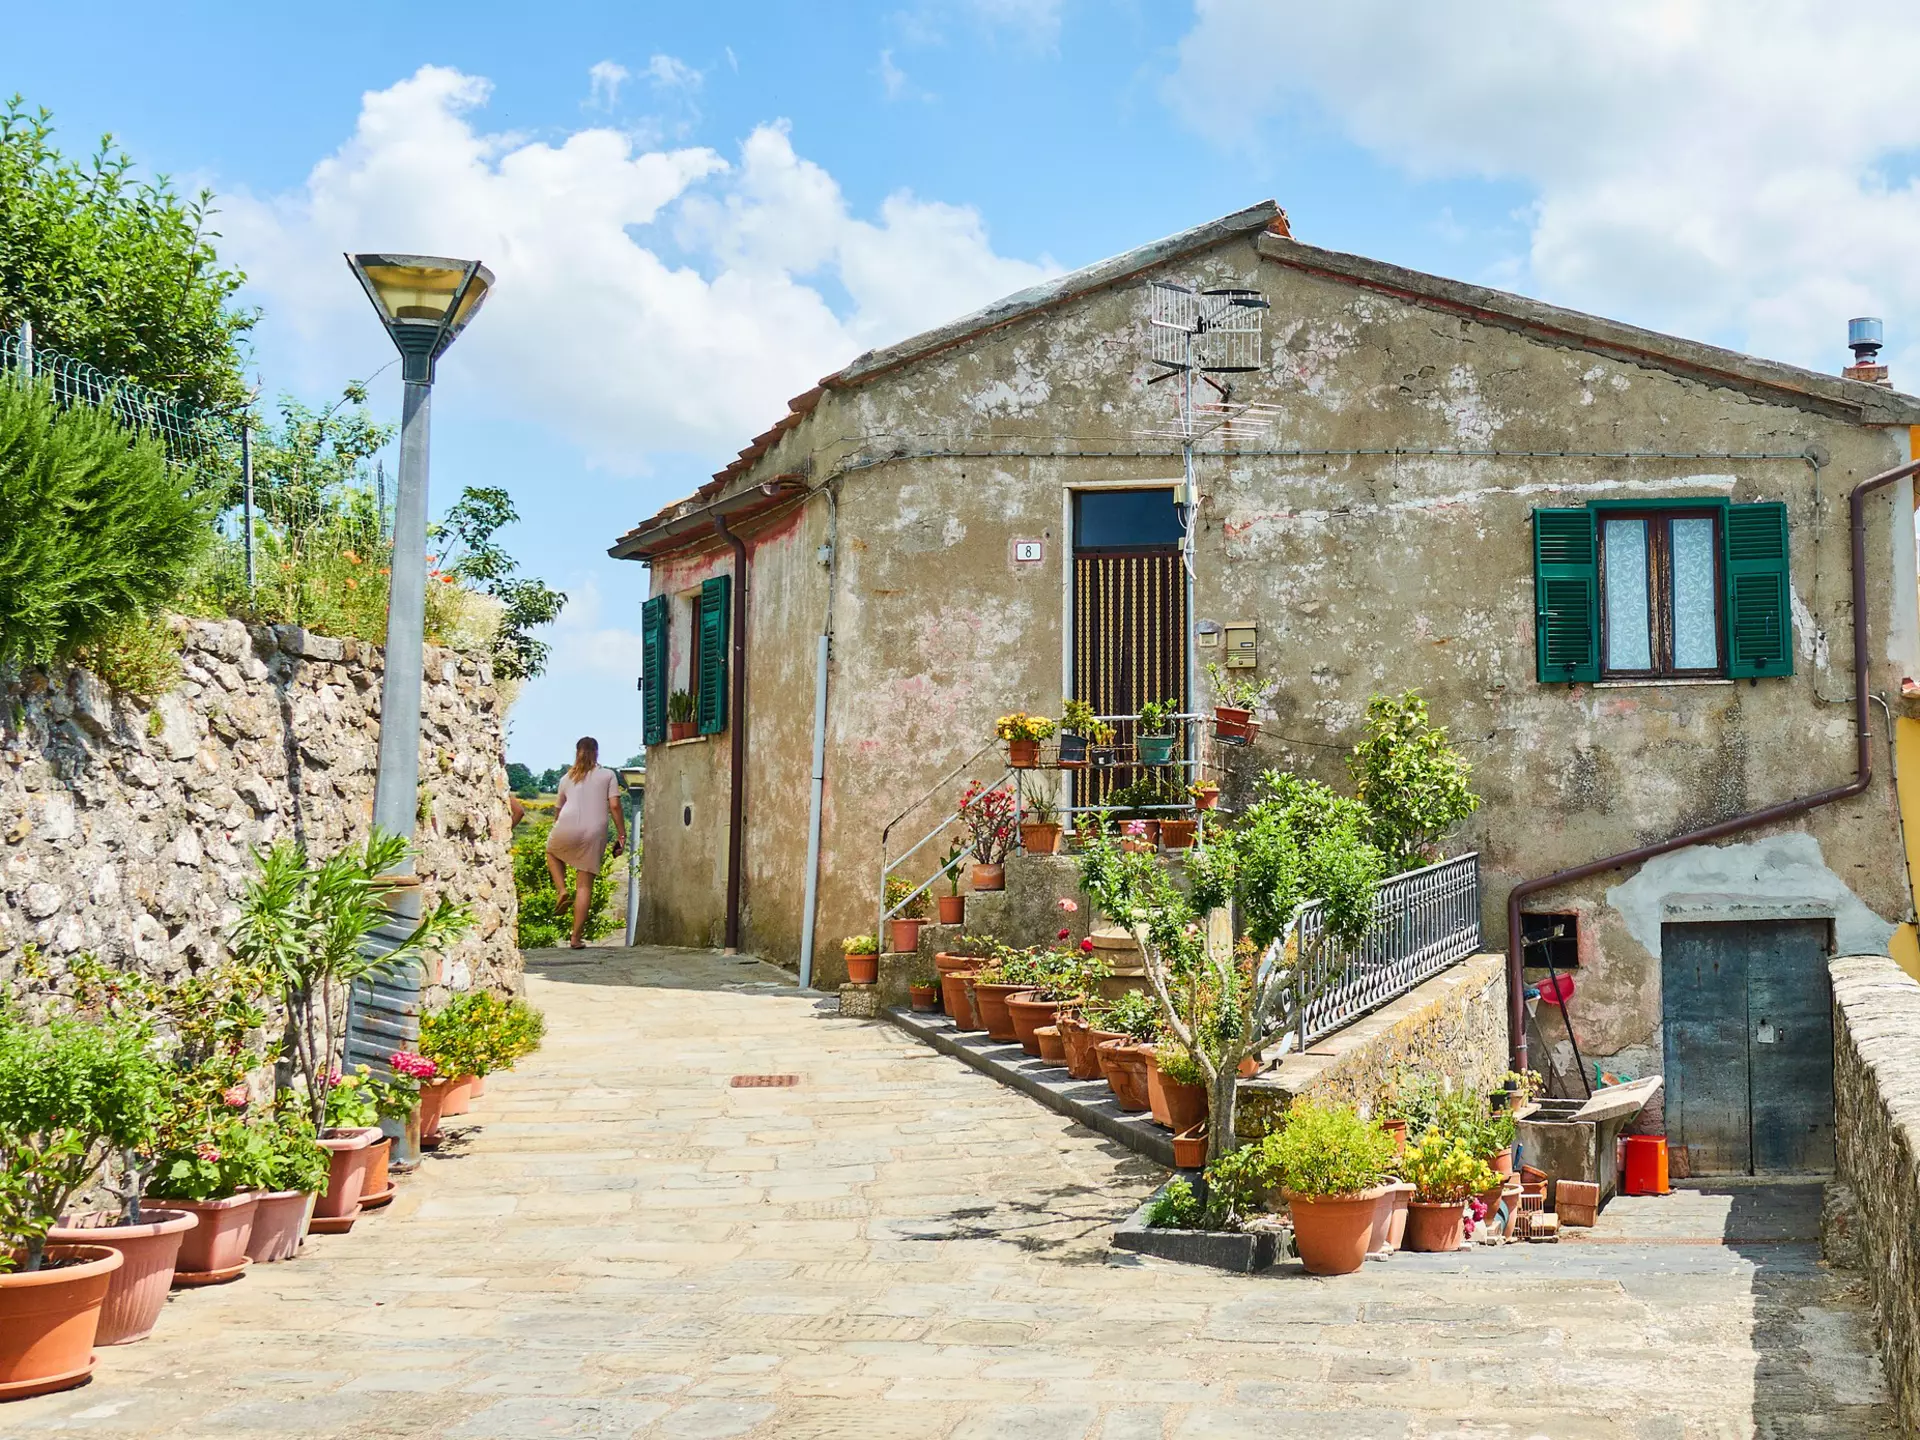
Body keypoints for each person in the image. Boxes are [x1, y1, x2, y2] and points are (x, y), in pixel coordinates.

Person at [544, 736, 625, 949]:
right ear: (596, 752)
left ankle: (561, 889)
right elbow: (615, 806)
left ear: (576, 752)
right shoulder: (608, 775)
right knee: (584, 886)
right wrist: (621, 835)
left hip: (565, 826)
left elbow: (558, 809)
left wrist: (557, 828)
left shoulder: (566, 778)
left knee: (551, 852)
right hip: (593, 831)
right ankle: (575, 938)